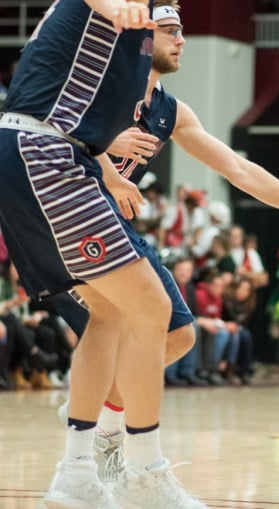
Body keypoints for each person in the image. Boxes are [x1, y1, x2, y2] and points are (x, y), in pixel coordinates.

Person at [48, 0, 279, 498]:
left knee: (177, 337)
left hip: (114, 225)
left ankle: (106, 434)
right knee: (116, 325)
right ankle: (101, 458)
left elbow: (240, 171)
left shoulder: (170, 111)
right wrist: (106, 154)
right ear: (141, 37)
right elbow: (51, 127)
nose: (182, 41)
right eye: (170, 30)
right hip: (68, 213)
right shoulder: (101, 81)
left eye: (183, 31)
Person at [0, 1, 206, 507]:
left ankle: (76, 472)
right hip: (45, 153)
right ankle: (144, 474)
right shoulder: (121, 11)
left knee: (112, 315)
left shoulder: (152, 81)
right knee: (153, 311)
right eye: (169, 23)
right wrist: (124, 7)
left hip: (39, 153)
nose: (176, 30)